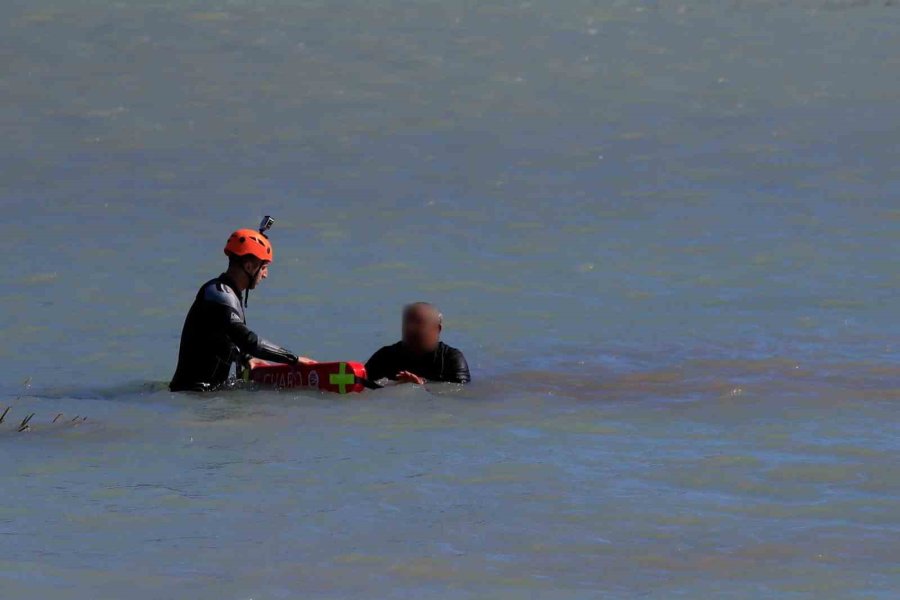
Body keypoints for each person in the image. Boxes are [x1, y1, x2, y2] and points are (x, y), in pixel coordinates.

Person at [170, 222, 310, 392]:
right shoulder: (218, 294)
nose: (265, 275)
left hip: (205, 397)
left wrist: (246, 358)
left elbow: (222, 337)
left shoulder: (227, 294)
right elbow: (247, 340)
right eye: (264, 267)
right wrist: (293, 359)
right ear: (249, 266)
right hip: (193, 395)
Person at [365, 302, 470, 385]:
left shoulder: (451, 359)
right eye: (408, 323)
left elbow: (460, 396)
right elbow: (361, 384)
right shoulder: (385, 356)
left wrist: (422, 386)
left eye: (419, 323)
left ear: (436, 329)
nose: (411, 328)